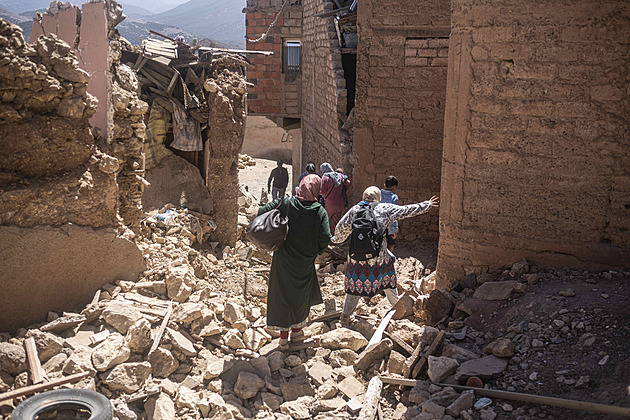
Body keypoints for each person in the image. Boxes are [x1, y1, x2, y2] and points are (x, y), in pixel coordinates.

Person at [331, 186, 439, 324]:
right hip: (379, 258)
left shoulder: (354, 210)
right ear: (378, 198)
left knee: (353, 289)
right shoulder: (384, 209)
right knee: (388, 282)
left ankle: (345, 316)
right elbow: (406, 210)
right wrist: (427, 205)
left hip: (356, 259)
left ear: (364, 198)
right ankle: (399, 308)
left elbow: (340, 232)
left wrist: (334, 240)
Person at [257, 174, 332, 350]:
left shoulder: (287, 203)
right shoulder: (319, 211)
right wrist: (317, 251)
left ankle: (283, 338)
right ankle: (297, 333)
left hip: (283, 258)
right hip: (305, 262)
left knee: (282, 295)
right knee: (300, 296)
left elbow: (261, 212)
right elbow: (325, 237)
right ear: (317, 190)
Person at [320, 162, 351, 231]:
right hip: (339, 203)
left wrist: (324, 196)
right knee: (336, 223)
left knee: (326, 221)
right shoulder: (339, 175)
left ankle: (326, 237)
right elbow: (348, 183)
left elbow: (322, 192)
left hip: (329, 204)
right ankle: (335, 238)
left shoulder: (325, 178)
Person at [380, 176, 399, 253]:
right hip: (389, 225)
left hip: (379, 224)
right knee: (391, 243)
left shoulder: (378, 194)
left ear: (384, 185)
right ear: (394, 187)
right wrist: (394, 230)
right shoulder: (394, 198)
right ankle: (388, 260)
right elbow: (394, 214)